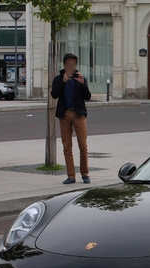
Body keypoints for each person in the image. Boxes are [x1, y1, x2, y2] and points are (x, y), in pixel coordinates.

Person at [51, 53, 92, 184]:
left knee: (83, 145)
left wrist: (82, 84)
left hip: (78, 114)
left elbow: (87, 96)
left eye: (73, 65)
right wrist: (63, 82)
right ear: (64, 65)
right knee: (67, 146)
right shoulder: (59, 79)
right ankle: (71, 175)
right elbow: (54, 94)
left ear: (76, 65)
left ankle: (85, 174)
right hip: (64, 115)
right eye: (68, 65)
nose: (70, 67)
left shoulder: (80, 78)